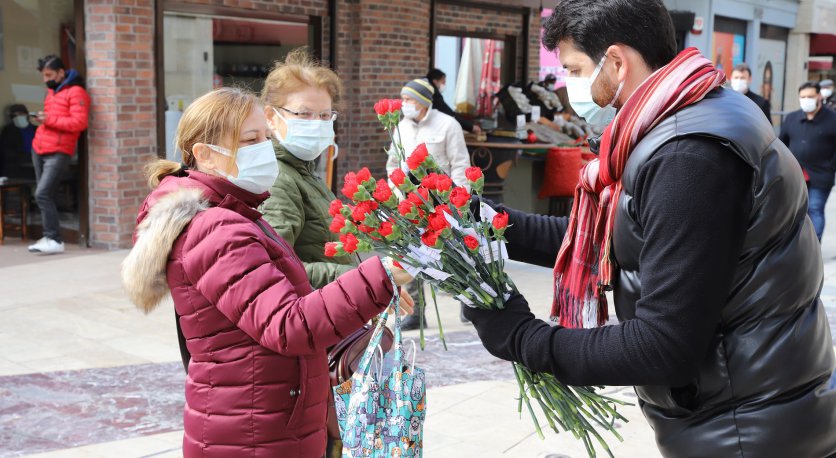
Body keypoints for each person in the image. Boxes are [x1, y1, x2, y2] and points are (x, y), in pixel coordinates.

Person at [463, 1, 836, 457]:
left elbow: (663, 345)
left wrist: (522, 337)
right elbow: (624, 237)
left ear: (616, 62)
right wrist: (482, 220)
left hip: (744, 428)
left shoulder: (687, 156)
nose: (568, 86)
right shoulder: (693, 111)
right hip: (749, 412)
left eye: (575, 69)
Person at [121, 87, 414, 458]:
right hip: (251, 431)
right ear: (206, 154)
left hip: (263, 419)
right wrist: (378, 277)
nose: (265, 147)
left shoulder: (236, 214)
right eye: (250, 139)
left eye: (266, 136)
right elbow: (287, 325)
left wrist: (369, 292)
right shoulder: (216, 230)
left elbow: (279, 303)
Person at [386, 78, 472, 329]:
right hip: (409, 206)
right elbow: (392, 163)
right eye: (403, 99)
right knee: (410, 256)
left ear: (423, 102)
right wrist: (395, 191)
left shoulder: (448, 125)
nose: (404, 104)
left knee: (452, 255)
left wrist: (458, 200)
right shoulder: (400, 127)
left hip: (440, 204)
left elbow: (460, 164)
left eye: (409, 100)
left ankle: (467, 303)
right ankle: (416, 312)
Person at [28, 55, 90, 255]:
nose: (46, 79)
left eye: (49, 74)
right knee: (45, 195)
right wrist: (44, 120)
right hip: (39, 148)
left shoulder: (76, 92)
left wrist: (50, 119)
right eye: (43, 75)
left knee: (42, 194)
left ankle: (54, 239)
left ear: (61, 72)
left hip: (58, 151)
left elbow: (79, 124)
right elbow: (53, 120)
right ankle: (49, 237)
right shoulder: (52, 92)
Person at [779, 81, 836, 241]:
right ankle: (796, 247)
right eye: (803, 97)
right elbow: (781, 144)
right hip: (795, 175)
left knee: (815, 209)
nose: (806, 100)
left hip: (821, 175)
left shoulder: (832, 119)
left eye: (810, 96)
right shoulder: (792, 118)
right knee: (794, 211)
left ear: (819, 96)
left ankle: (814, 245)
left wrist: (831, 166)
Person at [426, 69, 481, 133]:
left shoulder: (426, 88)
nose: (444, 85)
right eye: (443, 82)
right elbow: (448, 113)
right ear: (435, 81)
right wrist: (471, 127)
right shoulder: (433, 93)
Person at [0, 104, 36, 179]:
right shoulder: (8, 130)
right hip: (18, 166)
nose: (18, 117)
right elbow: (6, 152)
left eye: (21, 114)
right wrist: (26, 158)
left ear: (27, 115)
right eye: (14, 115)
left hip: (37, 163)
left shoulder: (37, 130)